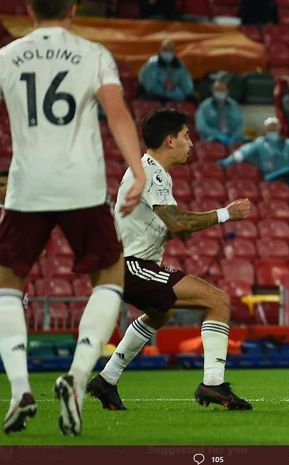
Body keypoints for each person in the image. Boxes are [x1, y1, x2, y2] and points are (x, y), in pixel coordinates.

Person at [0, 0, 146, 436]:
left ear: (29, 9)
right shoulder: (93, 53)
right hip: (81, 186)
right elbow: (116, 113)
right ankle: (78, 378)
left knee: (7, 282)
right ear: (74, 9)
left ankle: (20, 389)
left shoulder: (6, 56)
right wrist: (137, 170)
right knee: (109, 277)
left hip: (27, 186)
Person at [87, 108, 253, 412]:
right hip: (132, 266)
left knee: (160, 314)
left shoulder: (150, 171)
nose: (191, 143)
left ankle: (106, 381)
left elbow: (169, 224)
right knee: (217, 300)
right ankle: (213, 384)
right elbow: (177, 222)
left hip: (130, 265)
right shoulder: (151, 173)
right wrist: (226, 213)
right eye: (186, 136)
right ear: (170, 140)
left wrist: (181, 228)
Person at [218, 116, 289, 185]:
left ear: (279, 129)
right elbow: (243, 152)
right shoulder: (260, 143)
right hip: (273, 177)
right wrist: (228, 161)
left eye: (274, 128)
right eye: (270, 128)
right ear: (265, 130)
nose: (272, 130)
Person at [195, 79, 246, 146]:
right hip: (211, 139)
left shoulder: (234, 105)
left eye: (222, 90)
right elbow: (201, 126)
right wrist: (218, 135)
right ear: (212, 90)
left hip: (233, 138)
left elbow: (241, 124)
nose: (219, 92)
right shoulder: (204, 106)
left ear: (227, 91)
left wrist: (234, 136)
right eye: (217, 90)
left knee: (249, 142)